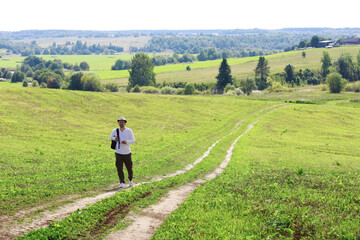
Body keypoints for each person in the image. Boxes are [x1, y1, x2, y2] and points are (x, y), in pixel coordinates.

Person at [110, 117, 135, 188]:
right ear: (118, 123)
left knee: (129, 168)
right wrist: (115, 138)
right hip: (118, 152)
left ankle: (130, 180)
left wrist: (126, 142)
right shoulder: (115, 130)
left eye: (122, 122)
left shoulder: (129, 131)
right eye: (120, 122)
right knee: (119, 168)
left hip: (127, 152)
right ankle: (121, 182)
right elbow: (110, 137)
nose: (121, 123)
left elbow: (133, 140)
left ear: (125, 123)